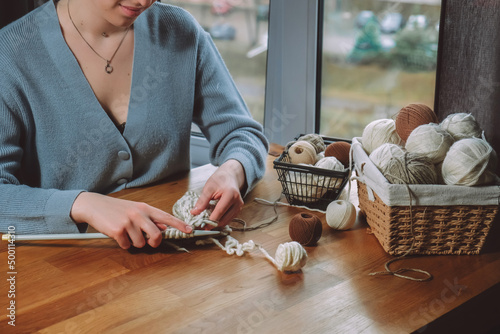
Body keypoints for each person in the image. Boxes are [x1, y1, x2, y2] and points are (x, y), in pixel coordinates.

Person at [0, 0, 269, 249]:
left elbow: (242, 133)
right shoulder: (10, 54)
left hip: (177, 262)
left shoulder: (180, 31)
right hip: (59, 269)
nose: (143, 1)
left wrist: (234, 170)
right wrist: (82, 205)